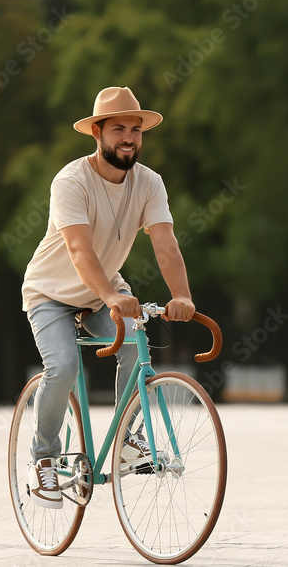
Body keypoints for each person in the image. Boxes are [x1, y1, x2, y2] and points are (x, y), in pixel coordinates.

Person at [20, 86, 195, 509]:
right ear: (96, 133)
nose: (129, 137)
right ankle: (42, 458)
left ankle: (124, 439)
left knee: (137, 345)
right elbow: (80, 251)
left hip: (105, 293)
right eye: (118, 128)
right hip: (51, 292)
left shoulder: (149, 183)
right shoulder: (71, 181)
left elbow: (166, 246)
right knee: (61, 367)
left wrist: (182, 296)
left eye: (136, 129)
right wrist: (111, 295)